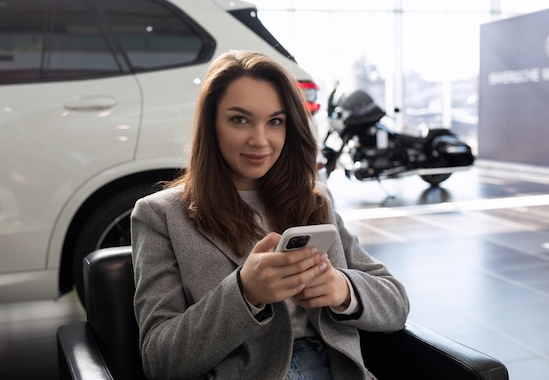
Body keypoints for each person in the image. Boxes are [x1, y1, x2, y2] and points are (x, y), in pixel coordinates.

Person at [131, 50, 409, 380]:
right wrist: (244, 293)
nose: (260, 140)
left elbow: (396, 304)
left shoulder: (315, 202)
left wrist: (343, 289)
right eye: (239, 119)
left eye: (275, 121)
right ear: (211, 125)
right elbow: (160, 360)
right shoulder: (160, 215)